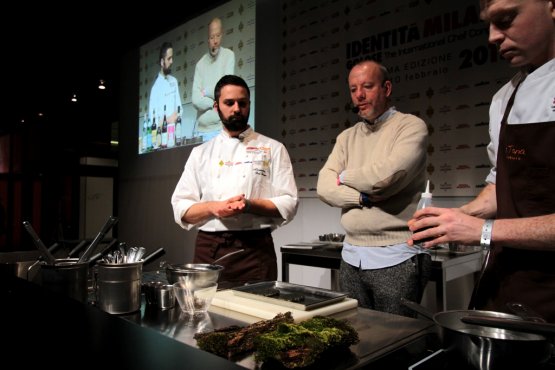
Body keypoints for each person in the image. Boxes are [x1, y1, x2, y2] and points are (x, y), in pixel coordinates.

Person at [408, 0, 555, 322]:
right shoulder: (505, 97)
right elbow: (504, 182)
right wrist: (458, 216)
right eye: (488, 23)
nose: (492, 36)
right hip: (511, 285)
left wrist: (483, 230)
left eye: (505, 19)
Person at [316, 60, 431, 318]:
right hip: (351, 255)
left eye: (367, 86)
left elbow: (384, 178)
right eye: (354, 88)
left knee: (397, 340)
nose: (359, 95)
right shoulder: (347, 137)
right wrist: (362, 198)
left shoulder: (410, 127)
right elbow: (324, 186)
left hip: (396, 256)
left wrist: (344, 175)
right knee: (360, 338)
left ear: (386, 88)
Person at [171, 75, 298, 287]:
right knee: (206, 314)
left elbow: (289, 202)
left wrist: (249, 205)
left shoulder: (273, 148)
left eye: (242, 103)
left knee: (258, 316)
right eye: (229, 103)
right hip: (209, 248)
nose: (236, 109)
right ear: (216, 106)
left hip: (255, 249)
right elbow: (181, 208)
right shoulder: (200, 153)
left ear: (249, 104)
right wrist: (215, 208)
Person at [192, 17, 236, 142]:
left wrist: (205, 91)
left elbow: (225, 89)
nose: (215, 41)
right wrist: (212, 103)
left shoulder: (229, 56)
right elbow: (195, 99)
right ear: (208, 39)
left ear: (222, 35)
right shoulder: (200, 64)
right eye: (212, 37)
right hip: (201, 131)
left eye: (217, 36)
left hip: (221, 129)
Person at [148, 41, 183, 148]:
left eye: (172, 58)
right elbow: (151, 122)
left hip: (176, 138)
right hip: (161, 142)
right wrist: (168, 120)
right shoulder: (155, 88)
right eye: (169, 59)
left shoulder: (174, 81)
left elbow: (180, 110)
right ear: (162, 61)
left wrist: (175, 117)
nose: (172, 61)